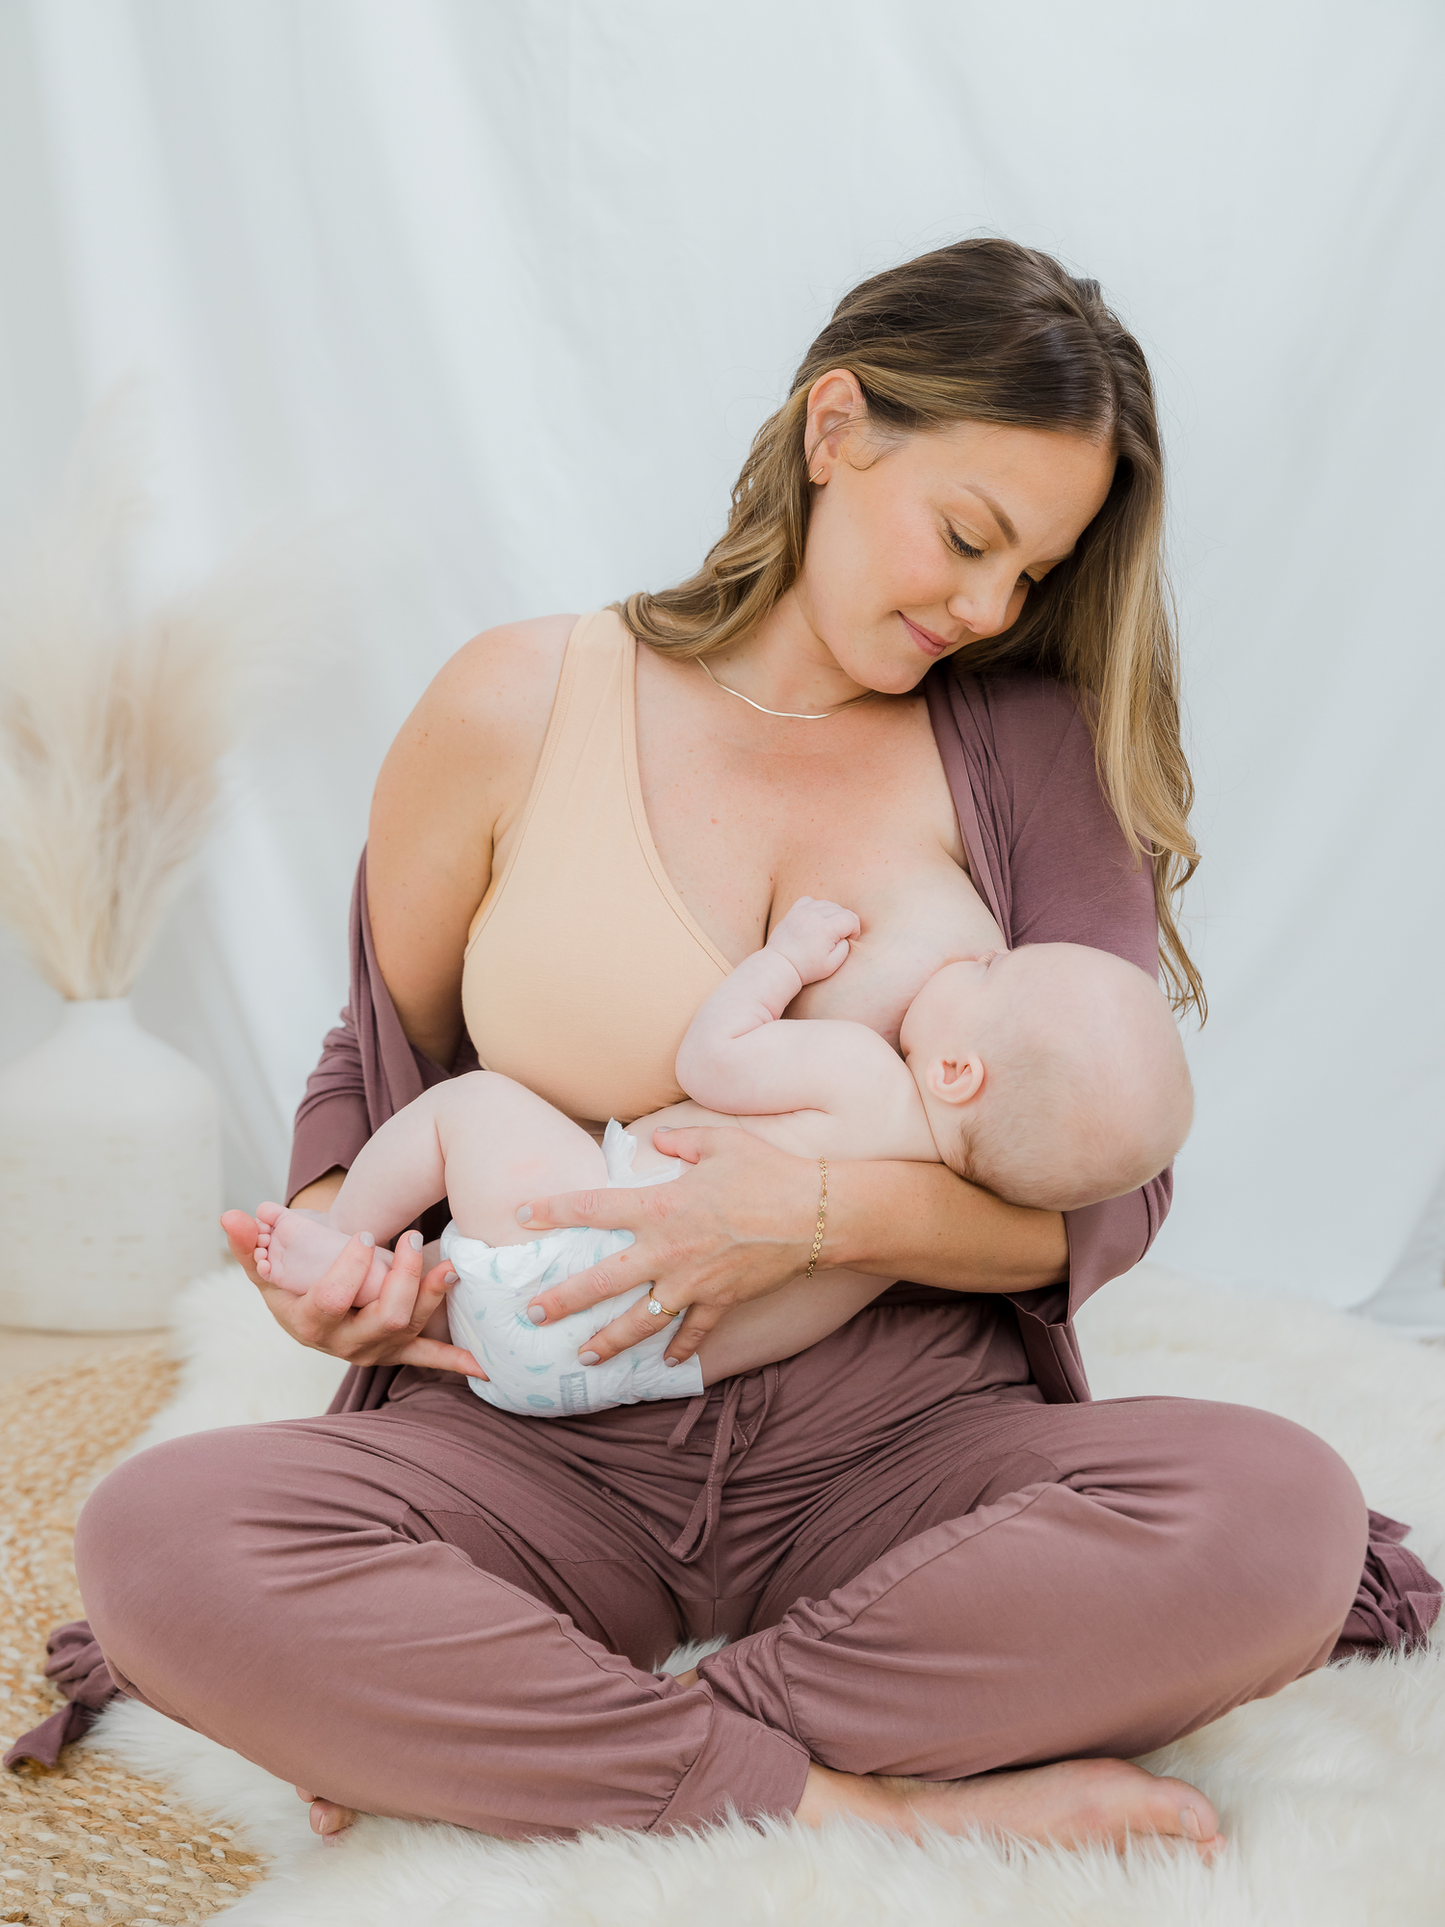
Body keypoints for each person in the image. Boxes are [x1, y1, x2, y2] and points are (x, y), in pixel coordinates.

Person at [46, 239, 1438, 1855]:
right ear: (834, 427)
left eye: (1033, 576)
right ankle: (870, 1802)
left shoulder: (1026, 753)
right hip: (532, 1430)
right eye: (970, 537)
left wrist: (808, 1213)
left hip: (903, 1442)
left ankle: (563, 1741)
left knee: (1279, 1513)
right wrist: (334, 1254)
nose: (988, 608)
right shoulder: (519, 703)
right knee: (164, 1539)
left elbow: (1103, 1199)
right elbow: (380, 1064)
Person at [251, 896, 1192, 1419]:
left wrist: (785, 961)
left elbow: (710, 1058)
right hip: (607, 1377)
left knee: (471, 1107)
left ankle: (346, 1238)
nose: (973, 959)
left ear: (953, 1070)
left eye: (989, 971)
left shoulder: (867, 1075)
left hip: (573, 1242)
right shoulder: (921, 1228)